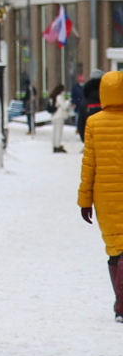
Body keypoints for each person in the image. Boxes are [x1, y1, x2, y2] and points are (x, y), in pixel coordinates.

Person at [78, 69, 123, 322]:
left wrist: (85, 201)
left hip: (104, 197)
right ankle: (122, 303)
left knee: (115, 248)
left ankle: (120, 301)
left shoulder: (94, 122)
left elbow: (89, 166)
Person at [77, 69, 103, 142]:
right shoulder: (111, 99)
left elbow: (81, 123)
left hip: (91, 139)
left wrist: (85, 139)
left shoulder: (86, 101)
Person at [48, 83, 69, 153]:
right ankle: (58, 145)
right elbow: (64, 107)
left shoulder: (53, 96)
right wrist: (68, 102)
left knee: (54, 132)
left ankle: (54, 145)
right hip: (59, 116)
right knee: (58, 132)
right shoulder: (59, 96)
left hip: (54, 116)